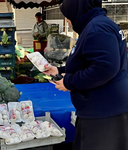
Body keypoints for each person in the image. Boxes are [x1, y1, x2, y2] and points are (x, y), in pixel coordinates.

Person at [44, 0, 128, 150]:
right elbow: (89, 61)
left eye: (68, 15)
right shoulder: (97, 25)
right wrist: (60, 71)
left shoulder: (97, 28)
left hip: (103, 112)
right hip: (100, 108)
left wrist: (69, 82)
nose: (67, 20)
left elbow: (104, 68)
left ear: (77, 10)